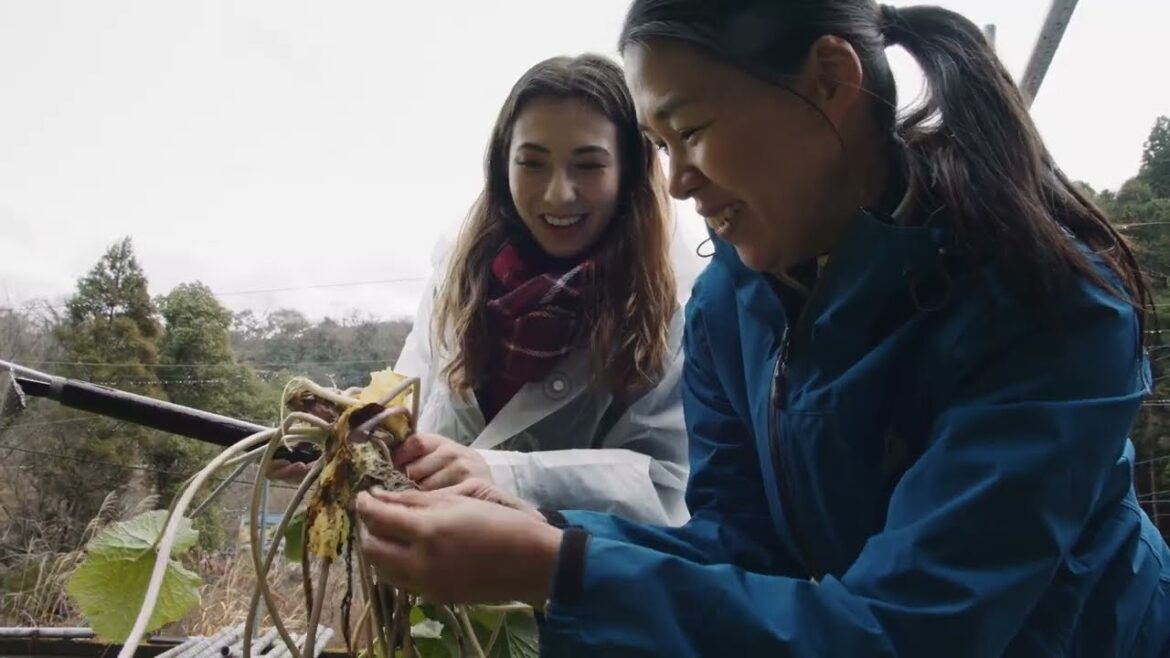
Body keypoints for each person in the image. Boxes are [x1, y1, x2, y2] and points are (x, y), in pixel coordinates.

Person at [352, 1, 1170, 656]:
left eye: (693, 130)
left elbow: (914, 629)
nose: (676, 184)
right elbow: (740, 552)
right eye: (661, 145)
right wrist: (548, 530)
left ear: (827, 81)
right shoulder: (733, 304)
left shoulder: (1042, 304)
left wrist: (563, 570)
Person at [273, 54, 690, 526]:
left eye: (588, 165)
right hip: (429, 576)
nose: (558, 193)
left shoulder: (670, 304)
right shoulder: (459, 273)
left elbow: (666, 487)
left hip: (565, 592)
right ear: (501, 165)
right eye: (532, 163)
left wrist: (504, 474)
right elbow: (408, 409)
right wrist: (341, 441)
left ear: (630, 173)